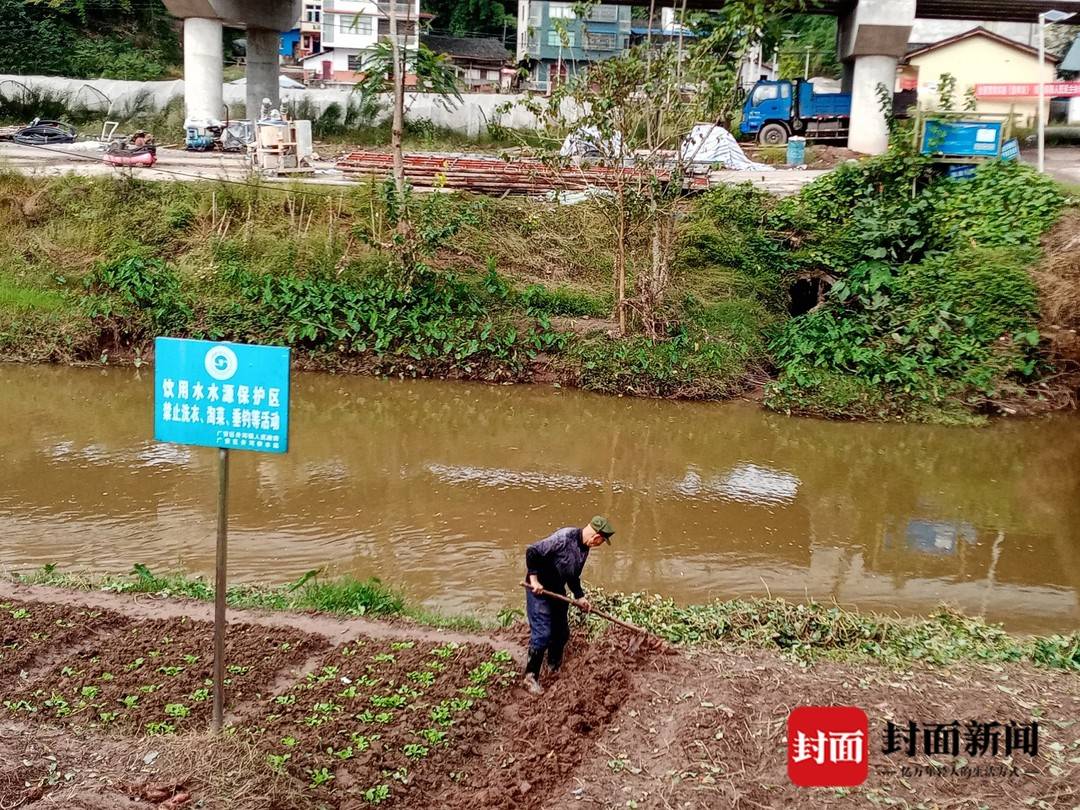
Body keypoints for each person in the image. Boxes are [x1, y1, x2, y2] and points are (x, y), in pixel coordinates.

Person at [522, 515, 614, 695]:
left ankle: (553, 665)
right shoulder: (563, 538)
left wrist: (580, 597)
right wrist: (534, 580)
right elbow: (532, 551)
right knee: (542, 634)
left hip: (557, 590)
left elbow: (572, 576)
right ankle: (530, 677)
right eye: (601, 542)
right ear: (596, 537)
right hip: (539, 590)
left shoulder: (584, 549)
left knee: (562, 633)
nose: (598, 545)